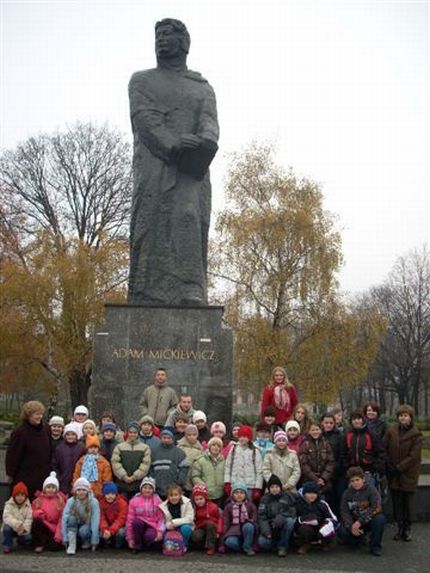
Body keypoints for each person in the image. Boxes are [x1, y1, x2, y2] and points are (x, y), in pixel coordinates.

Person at [128, 18, 219, 306]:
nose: (161, 39)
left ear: (184, 42)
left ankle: (190, 289)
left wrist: (205, 141)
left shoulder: (202, 87)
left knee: (189, 218)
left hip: (192, 171)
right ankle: (143, 292)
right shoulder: (142, 80)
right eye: (158, 35)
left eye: (168, 34)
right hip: (155, 166)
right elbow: (145, 120)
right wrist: (174, 144)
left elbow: (209, 121)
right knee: (151, 221)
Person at [383, 404, 422, 542]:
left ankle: (407, 528)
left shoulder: (416, 434)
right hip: (394, 472)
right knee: (397, 502)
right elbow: (384, 447)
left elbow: (414, 456)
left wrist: (399, 467)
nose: (403, 418)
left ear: (411, 417)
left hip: (408, 473)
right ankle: (399, 527)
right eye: (400, 416)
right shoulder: (391, 430)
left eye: (405, 416)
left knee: (408, 502)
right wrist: (389, 464)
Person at [6, 400, 52, 500]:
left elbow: (50, 451)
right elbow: (13, 455)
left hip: (42, 475)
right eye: (36, 414)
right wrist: (10, 473)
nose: (39, 417)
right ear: (28, 415)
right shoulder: (20, 432)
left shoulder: (46, 429)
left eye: (41, 414)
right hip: (24, 476)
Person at [338, 466, 386, 556]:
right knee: (342, 531)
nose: (355, 483)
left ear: (363, 479)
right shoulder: (346, 493)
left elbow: (376, 507)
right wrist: (351, 525)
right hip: (354, 521)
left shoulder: (372, 490)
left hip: (368, 520)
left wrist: (360, 522)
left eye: (357, 480)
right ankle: (359, 539)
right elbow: (344, 511)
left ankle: (375, 546)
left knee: (380, 520)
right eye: (352, 481)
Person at [341, 410, 385, 487]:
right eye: (354, 419)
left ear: (363, 420)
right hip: (352, 471)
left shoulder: (371, 434)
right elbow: (343, 453)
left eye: (359, 419)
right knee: (353, 496)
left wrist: (375, 468)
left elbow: (380, 452)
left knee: (369, 495)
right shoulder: (348, 435)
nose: (356, 421)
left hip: (368, 471)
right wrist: (346, 467)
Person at [257, 474, 296, 557]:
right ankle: (274, 545)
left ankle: (282, 547)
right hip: (270, 526)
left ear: (280, 487)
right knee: (262, 542)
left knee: (290, 521)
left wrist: (281, 517)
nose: (274, 489)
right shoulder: (264, 499)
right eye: (272, 487)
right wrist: (266, 531)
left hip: (283, 524)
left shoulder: (287, 496)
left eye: (276, 487)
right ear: (269, 488)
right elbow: (261, 517)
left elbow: (292, 511)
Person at [294, 482, 337, 555]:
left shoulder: (322, 504)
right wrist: (305, 519)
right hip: (307, 529)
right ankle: (305, 545)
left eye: (314, 493)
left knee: (329, 526)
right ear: (304, 494)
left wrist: (326, 524)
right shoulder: (298, 504)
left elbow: (333, 519)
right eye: (309, 493)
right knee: (304, 528)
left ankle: (325, 543)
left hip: (320, 528)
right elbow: (294, 520)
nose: (312, 495)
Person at [111, 421, 151, 499]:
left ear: (138, 433)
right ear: (127, 433)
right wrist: (124, 476)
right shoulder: (119, 447)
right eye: (130, 432)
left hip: (138, 485)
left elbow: (145, 465)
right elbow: (115, 462)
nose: (132, 434)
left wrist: (134, 477)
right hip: (122, 484)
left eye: (135, 432)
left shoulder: (145, 448)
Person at [224, 425, 263, 504]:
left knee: (248, 507)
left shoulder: (255, 451)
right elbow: (228, 466)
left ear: (249, 438)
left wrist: (257, 488)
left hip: (249, 485)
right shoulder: (234, 449)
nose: (242, 438)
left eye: (245, 436)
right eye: (240, 436)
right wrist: (227, 482)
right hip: (235, 484)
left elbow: (259, 471)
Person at [61, 477, 100, 555]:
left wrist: (94, 541)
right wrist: (64, 537)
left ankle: (87, 541)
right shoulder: (71, 501)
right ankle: (72, 544)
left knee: (83, 531)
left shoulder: (93, 502)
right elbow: (64, 518)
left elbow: (95, 521)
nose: (81, 492)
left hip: (87, 524)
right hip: (74, 523)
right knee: (71, 518)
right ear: (75, 491)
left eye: (84, 490)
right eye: (78, 490)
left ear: (88, 491)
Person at [126, 476, 164, 553]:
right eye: (145, 487)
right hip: (139, 524)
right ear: (141, 489)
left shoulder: (158, 501)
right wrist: (129, 538)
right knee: (136, 522)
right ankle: (137, 546)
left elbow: (161, 518)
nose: (147, 490)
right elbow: (130, 520)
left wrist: (160, 531)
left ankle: (146, 544)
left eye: (150, 488)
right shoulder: (134, 501)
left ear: (153, 490)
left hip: (152, 525)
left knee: (149, 536)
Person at [31, 471, 66, 553]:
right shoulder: (39, 499)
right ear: (44, 488)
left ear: (56, 489)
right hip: (43, 525)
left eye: (53, 487)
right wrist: (39, 513)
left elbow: (62, 519)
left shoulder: (60, 501)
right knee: (36, 522)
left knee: (54, 547)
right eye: (48, 487)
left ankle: (49, 541)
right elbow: (33, 511)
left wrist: (58, 535)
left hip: (54, 528)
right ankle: (38, 543)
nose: (50, 489)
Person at [220, 481, 258, 556]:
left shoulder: (251, 506)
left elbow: (255, 521)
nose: (239, 495)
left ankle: (247, 547)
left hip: (247, 531)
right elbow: (225, 524)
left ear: (245, 494)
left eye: (241, 493)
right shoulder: (228, 507)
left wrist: (248, 522)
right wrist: (222, 543)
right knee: (229, 542)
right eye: (236, 493)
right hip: (233, 531)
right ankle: (241, 547)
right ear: (232, 494)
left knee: (249, 526)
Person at [298, 420, 335, 494]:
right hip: (309, 479)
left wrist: (323, 478)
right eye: (313, 430)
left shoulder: (326, 443)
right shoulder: (305, 444)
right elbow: (304, 464)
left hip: (324, 481)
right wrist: (315, 479)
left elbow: (330, 462)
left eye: (317, 429)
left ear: (321, 430)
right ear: (309, 431)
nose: (315, 432)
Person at [150, 428, 189, 498]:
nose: (166, 440)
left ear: (172, 439)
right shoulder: (154, 452)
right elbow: (149, 468)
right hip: (157, 489)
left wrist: (179, 481)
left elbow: (185, 468)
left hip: (174, 490)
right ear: (160, 438)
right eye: (164, 438)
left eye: (169, 438)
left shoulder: (179, 452)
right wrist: (153, 481)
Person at [52, 422, 85, 495]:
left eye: (73, 434)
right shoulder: (60, 448)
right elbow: (54, 464)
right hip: (63, 478)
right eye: (68, 434)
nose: (70, 437)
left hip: (77, 479)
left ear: (77, 436)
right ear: (65, 435)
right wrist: (58, 477)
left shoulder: (81, 447)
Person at [191, 437, 225, 505]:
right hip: (206, 494)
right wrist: (203, 486)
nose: (216, 447)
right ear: (209, 447)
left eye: (218, 446)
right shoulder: (201, 460)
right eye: (213, 445)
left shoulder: (223, 461)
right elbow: (195, 476)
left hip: (220, 494)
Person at [160, 484, 194, 550]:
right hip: (171, 526)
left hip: (183, 525)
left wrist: (174, 522)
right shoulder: (164, 506)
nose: (174, 497)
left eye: (176, 495)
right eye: (171, 495)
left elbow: (189, 518)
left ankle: (184, 545)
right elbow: (163, 520)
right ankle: (168, 547)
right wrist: (168, 525)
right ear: (167, 497)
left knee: (186, 528)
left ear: (180, 495)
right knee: (163, 530)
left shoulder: (187, 503)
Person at [190, 484, 222, 555]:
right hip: (200, 526)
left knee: (210, 525)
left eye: (201, 499)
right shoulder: (194, 508)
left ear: (205, 498)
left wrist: (219, 531)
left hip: (212, 526)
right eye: (196, 500)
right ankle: (203, 545)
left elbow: (219, 519)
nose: (199, 501)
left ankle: (211, 547)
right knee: (195, 536)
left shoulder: (213, 507)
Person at [1, 482, 32, 554]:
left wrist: (24, 528)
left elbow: (29, 518)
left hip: (22, 528)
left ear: (25, 496)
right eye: (17, 495)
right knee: (6, 528)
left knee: (28, 538)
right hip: (12, 526)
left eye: (22, 495)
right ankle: (7, 544)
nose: (20, 497)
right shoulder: (9, 504)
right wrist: (17, 525)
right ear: (14, 496)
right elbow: (7, 517)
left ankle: (21, 540)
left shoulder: (28, 505)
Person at [99, 482, 128, 549]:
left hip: (118, 526)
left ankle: (118, 545)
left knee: (121, 532)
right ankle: (106, 543)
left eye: (112, 494)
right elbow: (101, 518)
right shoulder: (101, 503)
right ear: (104, 494)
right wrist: (105, 529)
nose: (110, 496)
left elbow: (121, 519)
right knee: (100, 533)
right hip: (107, 526)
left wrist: (111, 531)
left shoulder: (122, 503)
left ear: (116, 494)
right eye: (107, 494)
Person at [177, 424, 204, 494]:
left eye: (194, 434)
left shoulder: (200, 450)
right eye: (189, 435)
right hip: (181, 481)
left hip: (194, 481)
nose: (191, 437)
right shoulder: (180, 447)